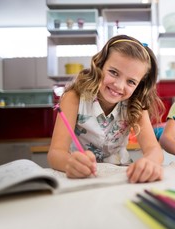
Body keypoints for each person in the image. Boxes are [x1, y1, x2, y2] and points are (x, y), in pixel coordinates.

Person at [47, 35, 165, 183]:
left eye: (131, 82)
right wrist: (69, 163)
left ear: (139, 85)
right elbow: (55, 153)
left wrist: (150, 162)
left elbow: (154, 150)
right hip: (80, 176)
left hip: (121, 176)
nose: (119, 86)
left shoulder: (136, 105)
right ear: (100, 64)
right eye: (114, 72)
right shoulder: (73, 97)